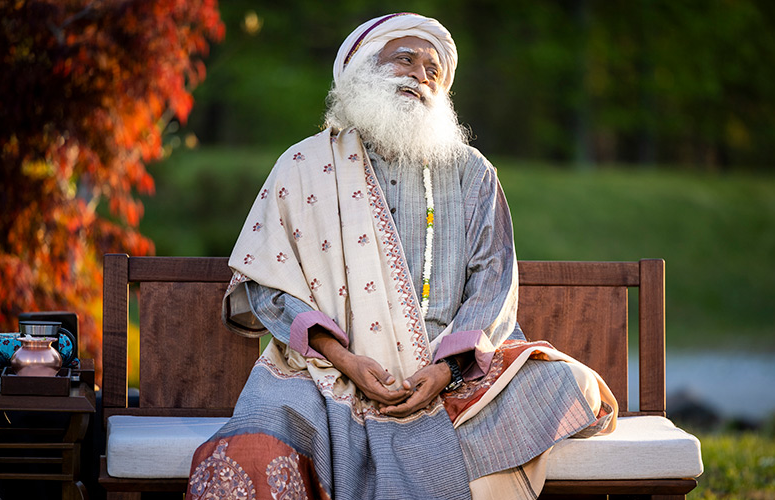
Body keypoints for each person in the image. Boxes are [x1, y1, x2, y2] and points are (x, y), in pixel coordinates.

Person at [187, 13, 617, 500]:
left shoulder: (472, 172)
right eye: (405, 61)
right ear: (362, 70)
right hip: (327, 373)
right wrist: (345, 359)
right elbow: (267, 283)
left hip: (451, 376)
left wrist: (443, 370)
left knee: (564, 382)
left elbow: (494, 280)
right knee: (253, 451)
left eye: (434, 71)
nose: (421, 76)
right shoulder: (304, 164)